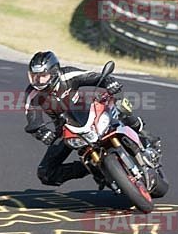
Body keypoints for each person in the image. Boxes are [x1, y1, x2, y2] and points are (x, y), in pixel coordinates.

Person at [23, 51, 157, 187]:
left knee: (118, 104)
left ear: (54, 72)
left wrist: (109, 82)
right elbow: (33, 120)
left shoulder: (68, 75)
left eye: (43, 76)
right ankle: (90, 167)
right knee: (45, 173)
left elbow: (94, 77)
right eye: (34, 76)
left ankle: (145, 136)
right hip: (66, 130)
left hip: (90, 113)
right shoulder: (32, 94)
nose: (38, 81)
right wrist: (42, 133)